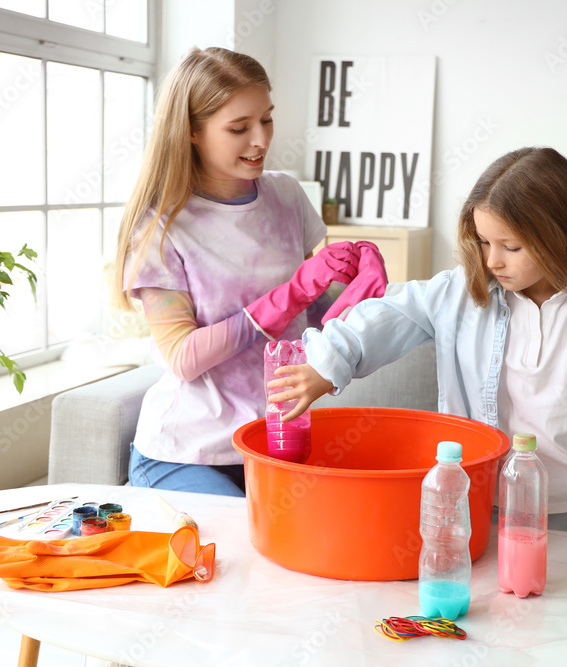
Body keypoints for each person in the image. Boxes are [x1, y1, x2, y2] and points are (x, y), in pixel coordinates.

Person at [268, 147, 567, 531]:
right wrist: (328, 362)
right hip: (481, 494)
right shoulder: (461, 294)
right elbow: (389, 313)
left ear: (559, 237)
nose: (492, 260)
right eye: (484, 242)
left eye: (511, 246)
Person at [112, 47, 382, 496]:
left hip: (277, 438)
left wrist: (358, 289)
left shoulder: (286, 196)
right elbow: (182, 358)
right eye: (239, 128)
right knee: (246, 545)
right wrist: (289, 295)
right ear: (192, 132)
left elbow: (312, 320)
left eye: (267, 120)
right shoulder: (160, 227)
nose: (261, 140)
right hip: (187, 450)